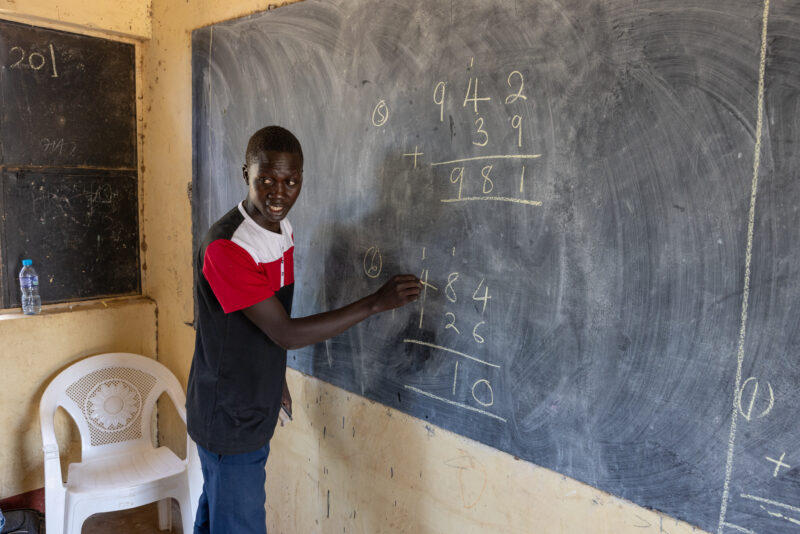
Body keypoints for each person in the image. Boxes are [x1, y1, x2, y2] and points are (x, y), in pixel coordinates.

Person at [186, 125, 421, 534]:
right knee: (237, 522)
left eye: (290, 182)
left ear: (301, 181)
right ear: (246, 175)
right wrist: (374, 302)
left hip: (249, 403)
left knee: (217, 511)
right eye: (266, 181)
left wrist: (274, 376)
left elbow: (265, 322)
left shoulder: (281, 230)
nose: (279, 194)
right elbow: (286, 332)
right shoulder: (228, 248)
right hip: (228, 415)